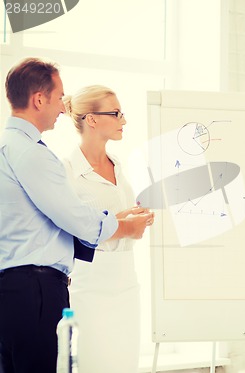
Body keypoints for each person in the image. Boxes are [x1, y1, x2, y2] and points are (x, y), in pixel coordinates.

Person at [0, 57, 154, 373]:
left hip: (33, 285)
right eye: (58, 98)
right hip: (36, 287)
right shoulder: (34, 154)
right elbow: (75, 219)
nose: (62, 107)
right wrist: (123, 226)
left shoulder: (11, 146)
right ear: (38, 99)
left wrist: (115, 221)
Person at [62, 85, 143, 373]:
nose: (124, 120)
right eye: (116, 113)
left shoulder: (118, 165)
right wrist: (122, 226)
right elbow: (67, 233)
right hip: (91, 284)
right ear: (92, 119)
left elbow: (120, 222)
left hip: (126, 280)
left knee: (126, 362)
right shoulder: (67, 171)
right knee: (95, 362)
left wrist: (136, 223)